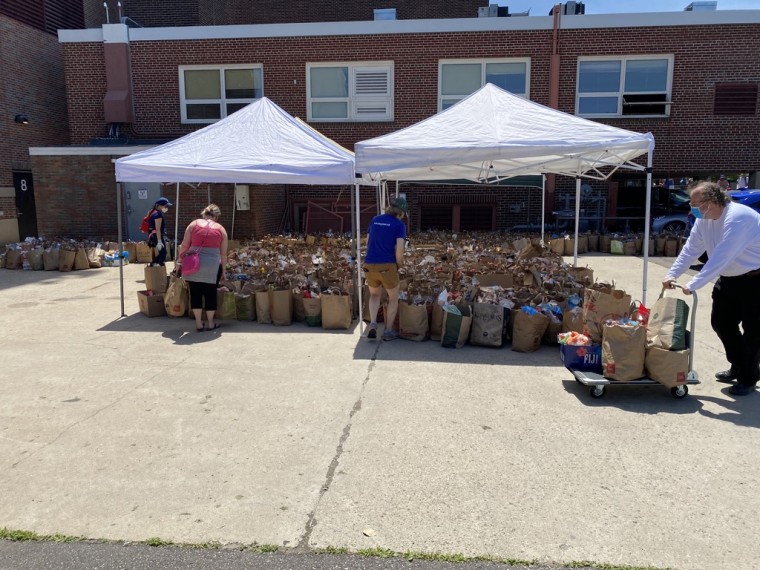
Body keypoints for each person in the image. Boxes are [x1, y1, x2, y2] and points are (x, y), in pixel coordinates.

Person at [663, 181, 760, 396]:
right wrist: (672, 274)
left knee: (753, 332)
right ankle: (738, 364)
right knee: (721, 324)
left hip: (755, 280)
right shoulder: (704, 219)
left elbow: (721, 257)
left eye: (696, 203)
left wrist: (693, 284)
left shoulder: (738, 218)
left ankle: (748, 377)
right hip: (729, 279)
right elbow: (691, 249)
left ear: (712, 202)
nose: (692, 207)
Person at [177, 204, 228, 332]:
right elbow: (223, 254)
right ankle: (210, 323)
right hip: (213, 265)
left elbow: (184, 245)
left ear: (204, 214)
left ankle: (199, 324)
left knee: (195, 293)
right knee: (211, 294)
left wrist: (179, 261)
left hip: (193, 263)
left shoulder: (193, 224)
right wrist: (224, 272)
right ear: (216, 216)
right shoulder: (221, 230)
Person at [363, 196, 408, 341]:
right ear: (401, 212)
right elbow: (400, 249)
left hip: (370, 263)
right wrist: (399, 264)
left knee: (375, 295)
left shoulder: (375, 219)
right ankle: (388, 331)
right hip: (387, 264)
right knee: (393, 298)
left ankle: (373, 324)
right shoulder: (399, 225)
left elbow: (368, 242)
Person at [148, 197, 172, 266]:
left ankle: (155, 265)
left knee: (162, 253)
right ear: (159, 206)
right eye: (165, 206)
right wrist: (159, 241)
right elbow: (157, 229)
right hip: (156, 236)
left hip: (153, 235)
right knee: (163, 253)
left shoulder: (153, 212)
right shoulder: (158, 215)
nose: (166, 208)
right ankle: (156, 266)